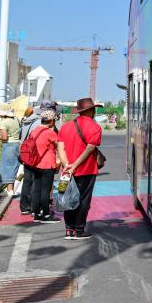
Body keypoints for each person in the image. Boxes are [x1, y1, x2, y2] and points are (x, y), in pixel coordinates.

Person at [58, 98, 104, 240]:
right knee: (83, 200)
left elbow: (60, 148)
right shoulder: (95, 128)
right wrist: (76, 165)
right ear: (90, 110)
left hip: (66, 171)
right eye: (94, 109)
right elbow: (90, 149)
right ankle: (79, 230)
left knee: (67, 198)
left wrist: (67, 165)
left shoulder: (65, 127)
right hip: (87, 170)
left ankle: (68, 230)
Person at [26, 110, 69, 222]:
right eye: (54, 120)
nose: (55, 122)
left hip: (35, 164)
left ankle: (36, 213)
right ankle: (46, 214)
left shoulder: (35, 131)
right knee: (46, 190)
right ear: (50, 121)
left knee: (37, 189)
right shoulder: (50, 133)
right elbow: (60, 146)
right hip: (47, 164)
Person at [0, 105, 22, 197]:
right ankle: (10, 189)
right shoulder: (16, 119)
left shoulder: (3, 123)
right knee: (13, 167)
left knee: (7, 167)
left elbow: (5, 137)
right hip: (17, 145)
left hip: (9, 146)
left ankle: (9, 191)